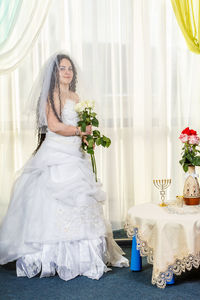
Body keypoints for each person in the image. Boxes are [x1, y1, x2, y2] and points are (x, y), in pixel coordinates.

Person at [0, 53, 129, 281]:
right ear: (55, 73)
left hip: (74, 154)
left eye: (70, 68)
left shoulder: (76, 96)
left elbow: (81, 124)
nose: (67, 72)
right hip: (56, 153)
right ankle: (50, 255)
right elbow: (54, 125)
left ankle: (84, 257)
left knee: (82, 199)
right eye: (62, 68)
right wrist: (80, 131)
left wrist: (87, 137)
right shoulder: (51, 96)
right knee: (50, 201)